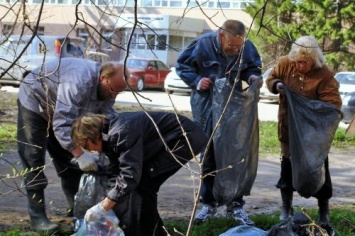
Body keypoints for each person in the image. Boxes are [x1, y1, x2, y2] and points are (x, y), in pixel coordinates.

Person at [17, 58, 126, 233]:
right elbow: (61, 124)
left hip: (61, 110)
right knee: (33, 157)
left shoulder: (107, 90)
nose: (114, 96)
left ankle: (76, 207)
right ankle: (37, 218)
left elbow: (107, 118)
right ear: (104, 78)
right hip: (35, 100)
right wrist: (80, 154)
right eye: (113, 90)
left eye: (119, 92)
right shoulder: (79, 81)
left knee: (68, 161)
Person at [175, 19, 262, 225]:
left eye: (238, 46)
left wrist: (252, 78)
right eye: (231, 45)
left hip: (233, 107)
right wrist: (196, 81)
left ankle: (235, 205)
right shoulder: (201, 44)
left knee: (235, 153)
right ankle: (209, 204)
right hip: (206, 107)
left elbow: (252, 68)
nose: (234, 49)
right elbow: (181, 66)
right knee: (209, 154)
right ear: (220, 36)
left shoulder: (246, 46)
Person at [71, 112, 208, 236]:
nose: (88, 150)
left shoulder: (120, 132)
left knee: (144, 183)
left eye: (87, 145)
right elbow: (115, 172)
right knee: (141, 185)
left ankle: (146, 231)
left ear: (92, 135)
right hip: (168, 140)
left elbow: (129, 175)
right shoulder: (109, 136)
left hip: (184, 138)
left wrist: (105, 205)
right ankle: (155, 231)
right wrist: (106, 202)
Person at [266, 35, 342, 236]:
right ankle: (286, 208)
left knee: (317, 169)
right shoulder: (285, 64)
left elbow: (333, 104)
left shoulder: (324, 74)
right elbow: (271, 79)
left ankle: (323, 212)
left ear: (314, 60)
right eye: (298, 61)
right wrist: (277, 86)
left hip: (313, 135)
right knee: (287, 167)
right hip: (288, 128)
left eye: (306, 62)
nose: (301, 65)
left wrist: (310, 110)